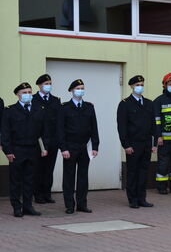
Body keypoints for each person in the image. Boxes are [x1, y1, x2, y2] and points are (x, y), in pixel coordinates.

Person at [1, 83, 49, 217]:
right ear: (18, 94)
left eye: (29, 91)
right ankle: (17, 206)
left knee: (30, 179)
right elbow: (5, 134)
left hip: (33, 149)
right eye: (24, 92)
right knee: (16, 180)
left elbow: (44, 131)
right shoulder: (10, 111)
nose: (27, 94)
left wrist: (44, 148)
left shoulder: (39, 109)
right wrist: (8, 151)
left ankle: (28, 206)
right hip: (17, 150)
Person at [57, 79, 99, 214]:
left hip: (84, 147)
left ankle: (82, 204)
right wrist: (63, 148)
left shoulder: (89, 107)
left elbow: (94, 128)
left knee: (83, 176)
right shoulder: (64, 108)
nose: (80, 90)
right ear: (71, 91)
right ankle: (69, 205)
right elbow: (60, 130)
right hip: (70, 147)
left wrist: (95, 146)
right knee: (69, 177)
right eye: (78, 88)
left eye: (82, 88)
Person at [117, 75, 156, 208]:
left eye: (142, 84)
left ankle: (142, 198)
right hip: (133, 144)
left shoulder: (149, 103)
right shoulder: (125, 104)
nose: (140, 87)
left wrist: (154, 143)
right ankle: (132, 199)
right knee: (133, 172)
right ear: (132, 86)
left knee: (143, 172)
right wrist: (126, 144)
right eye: (138, 85)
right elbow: (121, 126)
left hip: (146, 143)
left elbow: (153, 125)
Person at [32, 74, 61, 204]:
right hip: (38, 140)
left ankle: (47, 194)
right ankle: (37, 194)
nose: (48, 86)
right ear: (39, 85)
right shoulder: (33, 100)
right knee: (38, 168)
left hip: (52, 140)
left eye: (49, 83)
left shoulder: (55, 100)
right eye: (45, 83)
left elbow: (59, 121)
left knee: (49, 168)